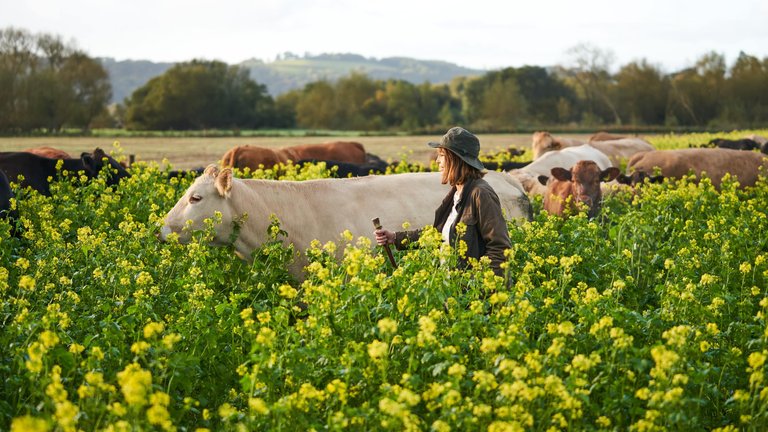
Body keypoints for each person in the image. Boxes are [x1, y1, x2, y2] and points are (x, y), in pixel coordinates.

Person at [374, 126, 512, 277]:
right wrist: (395, 237)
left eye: (441, 155)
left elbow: (500, 249)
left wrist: (481, 288)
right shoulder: (457, 192)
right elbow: (440, 233)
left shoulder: (481, 194)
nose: (437, 160)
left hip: (472, 293)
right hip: (454, 289)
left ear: (456, 159)